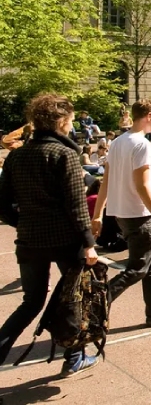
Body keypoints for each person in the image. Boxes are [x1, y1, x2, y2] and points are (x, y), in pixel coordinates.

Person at [0, 94, 101, 375]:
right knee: (74, 298)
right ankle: (74, 356)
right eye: (70, 121)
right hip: (65, 240)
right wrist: (89, 243)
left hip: (29, 239)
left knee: (30, 303)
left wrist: (24, 222)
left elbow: (3, 205)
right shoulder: (64, 154)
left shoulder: (17, 156)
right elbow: (76, 205)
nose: (71, 126)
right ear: (61, 121)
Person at [92, 99, 151, 328]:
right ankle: (97, 303)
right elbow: (142, 186)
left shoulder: (117, 143)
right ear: (149, 115)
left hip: (122, 213)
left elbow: (105, 181)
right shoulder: (143, 145)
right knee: (137, 268)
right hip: (138, 215)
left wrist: (98, 214)